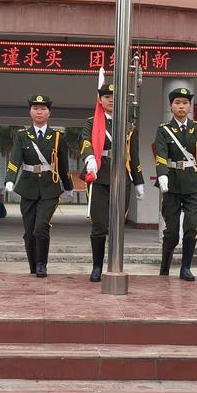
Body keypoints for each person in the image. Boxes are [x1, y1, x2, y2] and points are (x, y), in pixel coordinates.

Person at [80, 83, 145, 282]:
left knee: (117, 225)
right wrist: (90, 158)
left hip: (122, 179)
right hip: (99, 177)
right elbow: (85, 142)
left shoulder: (127, 125)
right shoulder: (92, 122)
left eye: (114, 96)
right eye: (106, 96)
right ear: (100, 100)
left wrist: (139, 181)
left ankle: (114, 264)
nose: (110, 99)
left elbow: (133, 155)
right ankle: (97, 266)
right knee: (99, 224)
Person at [5, 95, 73, 278]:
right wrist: (9, 179)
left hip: (50, 187)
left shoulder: (58, 136)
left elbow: (63, 164)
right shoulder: (22, 136)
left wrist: (68, 186)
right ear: (30, 111)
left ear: (49, 112)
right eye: (35, 108)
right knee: (29, 232)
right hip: (27, 187)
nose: (39, 111)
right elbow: (15, 159)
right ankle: (33, 266)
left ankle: (42, 264)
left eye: (43, 108)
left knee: (41, 227)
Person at [154, 87, 197, 281]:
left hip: (194, 183)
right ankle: (165, 267)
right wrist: (162, 175)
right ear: (171, 106)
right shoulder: (164, 129)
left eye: (185, 103)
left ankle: (186, 268)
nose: (181, 106)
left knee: (191, 226)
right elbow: (161, 155)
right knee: (171, 231)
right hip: (171, 183)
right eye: (177, 103)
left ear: (189, 106)